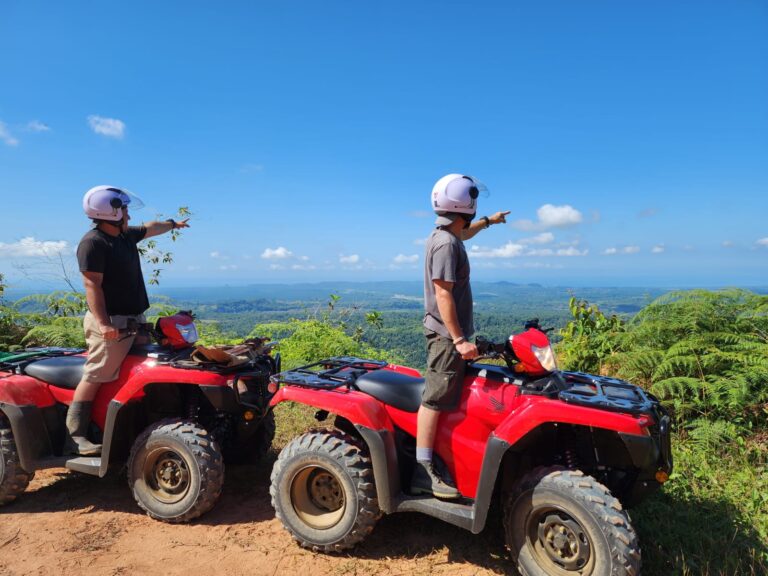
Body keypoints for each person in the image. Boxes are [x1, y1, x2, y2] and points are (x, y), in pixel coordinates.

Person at [67, 185, 190, 456]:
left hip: (134, 319)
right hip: (110, 322)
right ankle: (75, 435)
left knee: (140, 369)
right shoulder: (93, 243)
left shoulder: (123, 236)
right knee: (97, 372)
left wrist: (172, 224)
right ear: (110, 212)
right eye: (124, 210)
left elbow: (150, 228)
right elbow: (92, 286)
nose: (128, 216)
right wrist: (103, 324)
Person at [412, 174, 509, 498]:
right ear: (464, 204)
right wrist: (458, 339)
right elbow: (443, 295)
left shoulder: (447, 236)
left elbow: (464, 234)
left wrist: (489, 222)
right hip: (445, 336)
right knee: (435, 397)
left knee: (451, 392)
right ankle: (422, 468)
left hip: (448, 334)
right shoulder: (444, 244)